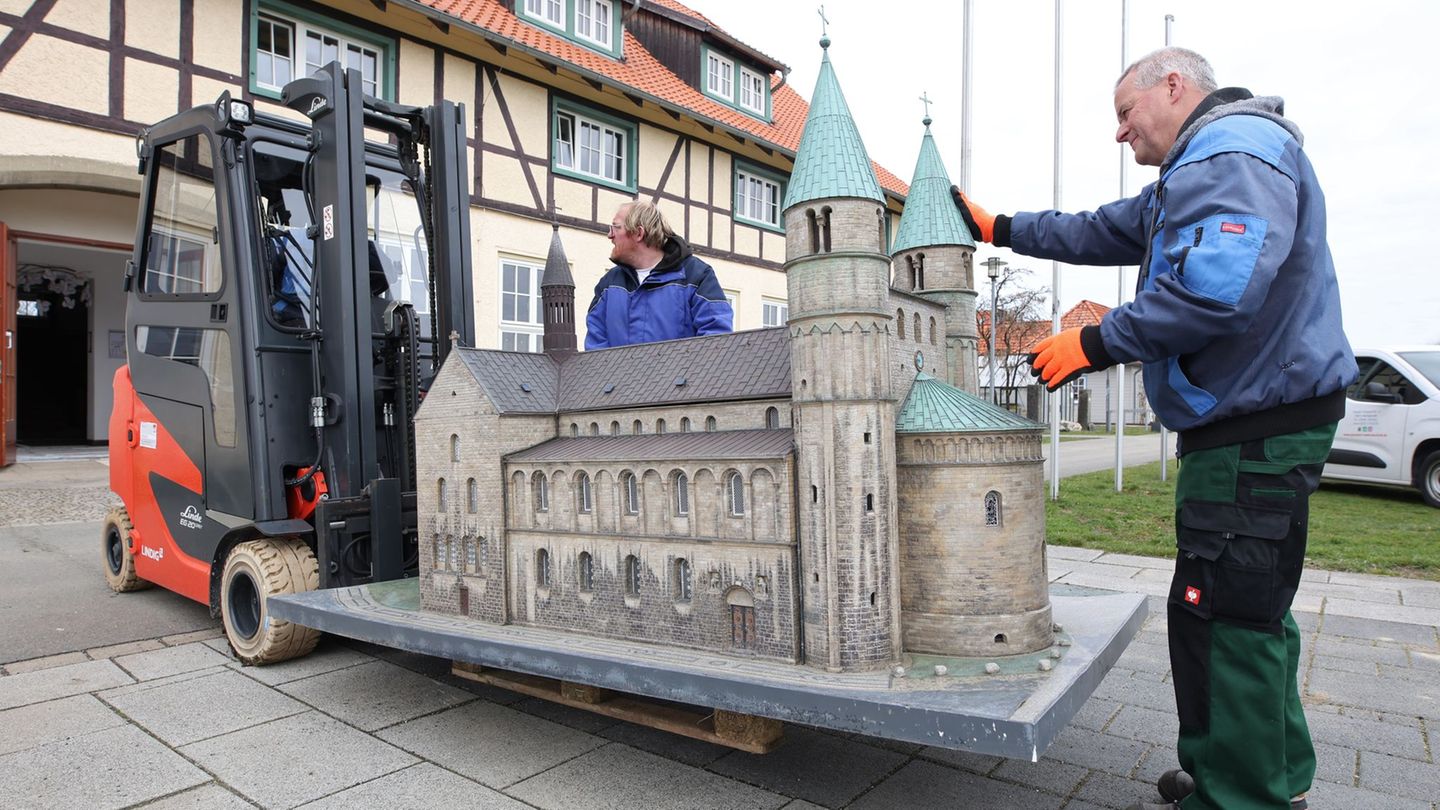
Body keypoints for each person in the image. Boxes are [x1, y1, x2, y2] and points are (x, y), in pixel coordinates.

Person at [953, 47, 1356, 810]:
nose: (1119, 133)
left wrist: (1096, 342)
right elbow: (1101, 230)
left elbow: (1220, 291)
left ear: (1173, 87)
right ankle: (1258, 778)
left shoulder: (1233, 154)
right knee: (1247, 609)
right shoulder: (1196, 172)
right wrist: (999, 226)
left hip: (1253, 430)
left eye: (1123, 113)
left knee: (1225, 616)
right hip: (1252, 423)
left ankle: (1239, 798)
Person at [585, 200, 733, 350]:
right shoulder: (608, 285)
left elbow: (715, 343)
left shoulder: (697, 276)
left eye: (615, 227)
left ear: (638, 233)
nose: (610, 235)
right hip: (617, 374)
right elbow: (596, 350)